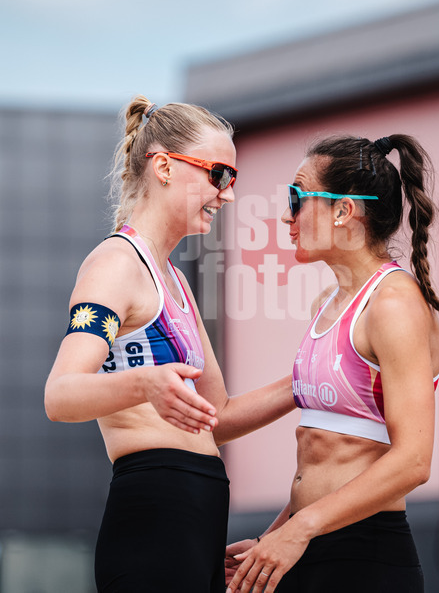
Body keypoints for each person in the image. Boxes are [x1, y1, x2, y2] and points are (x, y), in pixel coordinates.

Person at [44, 96, 295, 593]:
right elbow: (60, 394)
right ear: (162, 166)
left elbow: (216, 415)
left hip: (191, 514)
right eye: (218, 174)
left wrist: (306, 381)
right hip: (154, 509)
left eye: (233, 180)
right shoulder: (116, 264)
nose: (226, 194)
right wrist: (145, 383)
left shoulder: (174, 280)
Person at [225, 134, 439, 593]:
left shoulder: (394, 304)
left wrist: (299, 528)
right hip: (308, 544)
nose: (285, 216)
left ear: (342, 210)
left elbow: (413, 461)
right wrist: (272, 541)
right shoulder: (328, 303)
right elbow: (322, 456)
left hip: (365, 556)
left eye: (296, 198)